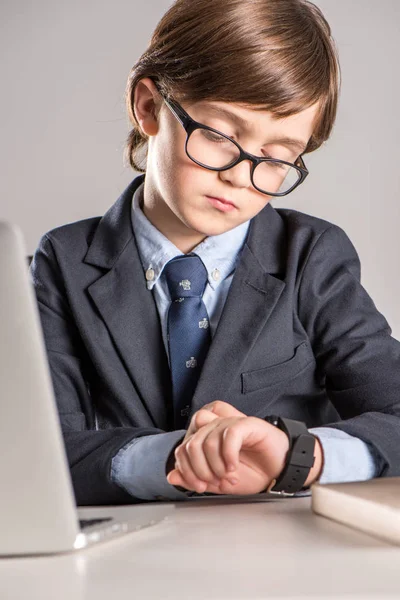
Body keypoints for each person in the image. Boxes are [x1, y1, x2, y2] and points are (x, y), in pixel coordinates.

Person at [31, 0, 400, 506]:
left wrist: (300, 456)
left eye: (277, 159)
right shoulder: (63, 261)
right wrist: (179, 458)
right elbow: (41, 452)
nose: (238, 176)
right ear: (148, 107)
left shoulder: (312, 254)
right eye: (221, 136)